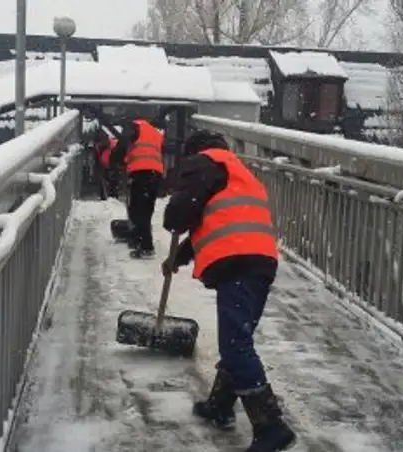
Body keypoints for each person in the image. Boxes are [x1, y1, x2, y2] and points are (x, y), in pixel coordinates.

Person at [161, 130, 296, 452]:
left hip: (237, 262)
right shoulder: (238, 171)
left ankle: (271, 426)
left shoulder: (203, 162)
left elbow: (181, 212)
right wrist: (175, 259)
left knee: (236, 344)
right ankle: (220, 405)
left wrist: (173, 217)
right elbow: (217, 220)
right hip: (259, 261)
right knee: (239, 338)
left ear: (195, 152)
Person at [110, 117, 165, 259]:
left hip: (141, 173)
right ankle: (138, 238)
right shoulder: (154, 132)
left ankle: (146, 246)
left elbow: (122, 146)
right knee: (147, 209)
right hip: (156, 173)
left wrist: (116, 160)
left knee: (137, 209)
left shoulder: (134, 127)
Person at [93, 130, 120, 199]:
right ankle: (108, 195)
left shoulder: (112, 145)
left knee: (111, 179)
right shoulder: (99, 147)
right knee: (105, 178)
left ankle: (111, 195)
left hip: (111, 162)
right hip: (106, 163)